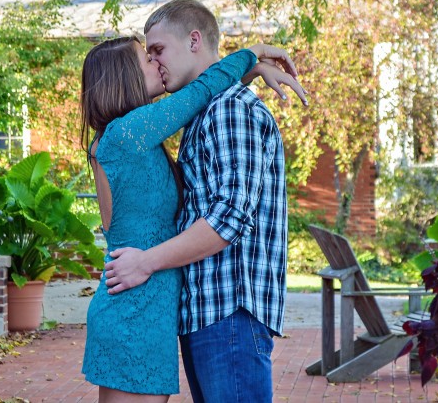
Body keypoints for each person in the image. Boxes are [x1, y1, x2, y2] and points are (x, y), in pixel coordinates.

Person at [80, 34, 304, 402]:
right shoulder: (129, 133)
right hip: (136, 309)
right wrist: (256, 55)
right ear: (124, 78)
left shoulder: (133, 135)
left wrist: (248, 73)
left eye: (156, 53)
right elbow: (200, 92)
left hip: (147, 306)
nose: (156, 63)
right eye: (146, 59)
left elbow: (202, 95)